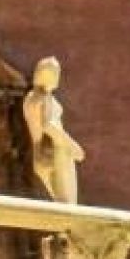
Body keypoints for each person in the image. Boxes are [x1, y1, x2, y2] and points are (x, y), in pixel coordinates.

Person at [22, 56, 85, 207]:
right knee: (68, 205)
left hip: (41, 153)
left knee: (61, 204)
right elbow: (49, 126)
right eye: (56, 73)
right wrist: (73, 146)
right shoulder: (44, 98)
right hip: (56, 150)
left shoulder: (31, 98)